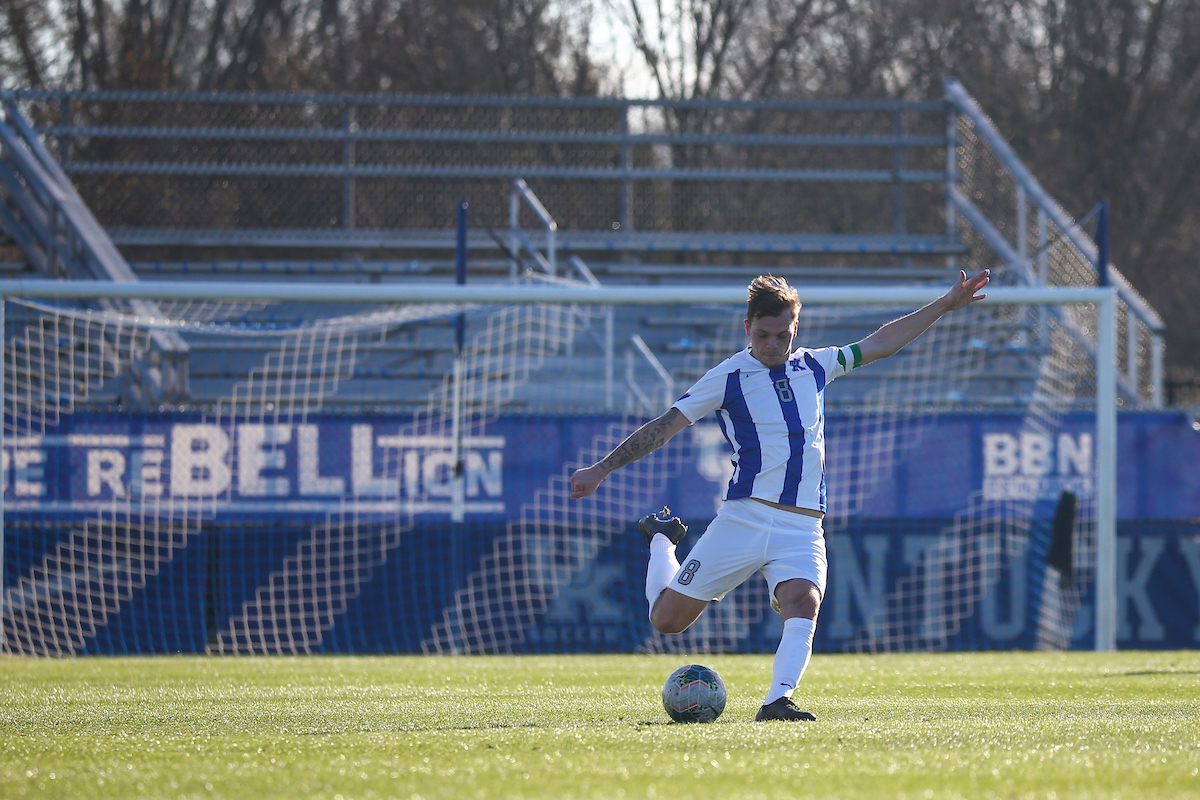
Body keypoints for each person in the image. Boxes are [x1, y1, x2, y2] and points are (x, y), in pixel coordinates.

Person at [569, 269, 990, 721]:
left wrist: (944, 305)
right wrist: (601, 468)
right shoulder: (727, 377)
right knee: (667, 622)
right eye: (764, 334)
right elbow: (664, 427)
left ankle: (778, 700)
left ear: (796, 329)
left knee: (803, 601)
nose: (773, 344)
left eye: (783, 335)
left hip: (803, 524)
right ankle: (661, 540)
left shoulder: (814, 365)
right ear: (748, 329)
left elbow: (881, 343)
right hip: (745, 518)